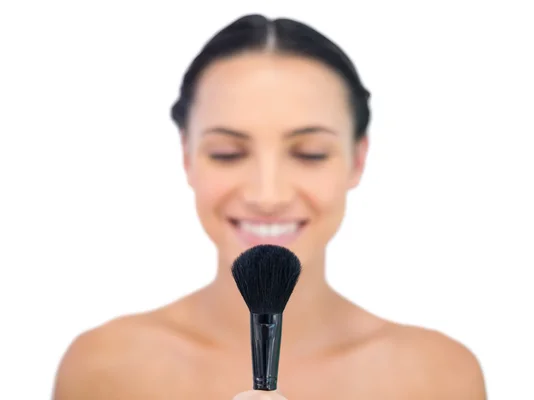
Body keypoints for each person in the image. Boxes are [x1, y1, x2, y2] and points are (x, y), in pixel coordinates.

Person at [52, 14, 486, 400]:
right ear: (186, 156)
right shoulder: (103, 369)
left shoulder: (439, 377)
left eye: (310, 153)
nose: (268, 195)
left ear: (358, 159)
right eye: (226, 153)